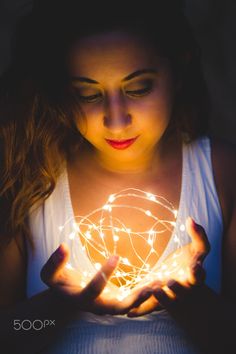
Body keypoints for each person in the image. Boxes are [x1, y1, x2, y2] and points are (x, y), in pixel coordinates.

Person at [0, 1, 235, 353]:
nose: (116, 119)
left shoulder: (221, 172)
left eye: (138, 88)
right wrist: (59, 306)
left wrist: (191, 302)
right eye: (89, 94)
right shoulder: (31, 180)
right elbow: (11, 332)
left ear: (179, 67)